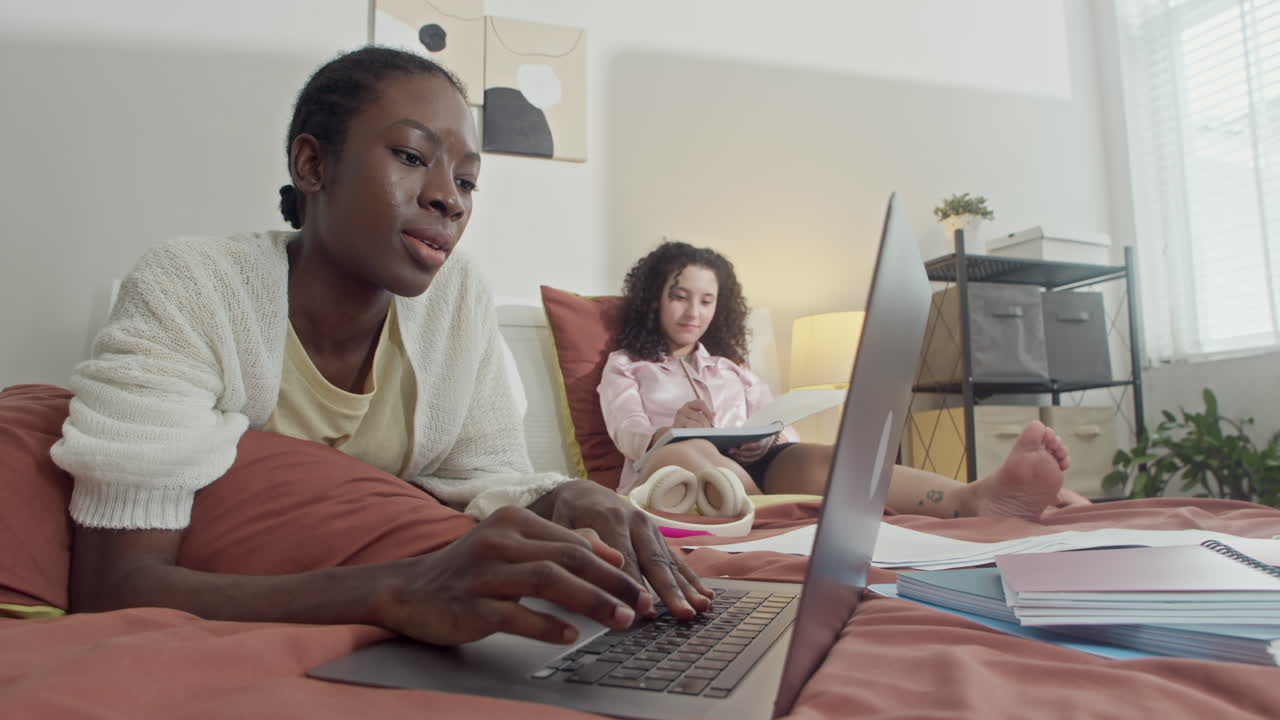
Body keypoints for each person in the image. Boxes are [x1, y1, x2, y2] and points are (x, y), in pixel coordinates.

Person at [51, 47, 712, 648]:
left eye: (467, 180)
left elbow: (487, 475)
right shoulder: (190, 289)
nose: (447, 198)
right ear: (313, 164)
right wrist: (394, 591)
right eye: (411, 156)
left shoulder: (457, 300)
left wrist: (566, 497)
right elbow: (113, 589)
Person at [598, 240, 1092, 519]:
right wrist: (674, 429)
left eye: (706, 301)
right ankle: (770, 516)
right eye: (680, 296)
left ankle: (971, 498)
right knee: (695, 452)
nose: (693, 311)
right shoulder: (626, 365)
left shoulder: (734, 372)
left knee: (824, 456)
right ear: (654, 299)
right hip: (669, 468)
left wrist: (764, 439)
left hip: (757, 470)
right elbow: (630, 434)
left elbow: (779, 430)